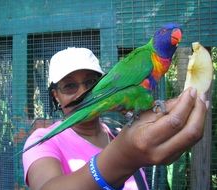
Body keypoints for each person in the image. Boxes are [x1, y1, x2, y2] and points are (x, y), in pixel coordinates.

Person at [22, 47, 209, 190]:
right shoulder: (42, 141)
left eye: (91, 82)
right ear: (55, 96)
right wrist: (124, 157)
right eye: (70, 86)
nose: (83, 92)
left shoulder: (118, 133)